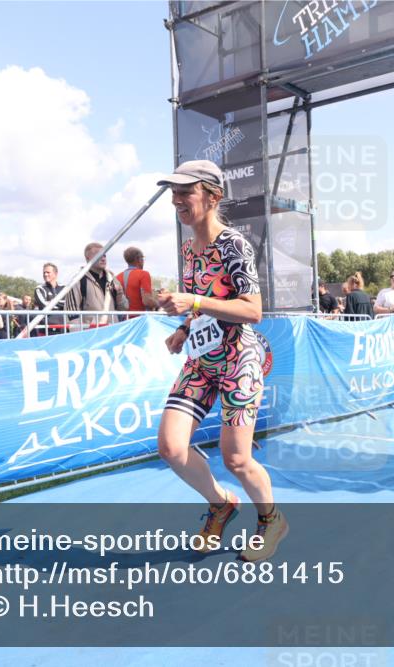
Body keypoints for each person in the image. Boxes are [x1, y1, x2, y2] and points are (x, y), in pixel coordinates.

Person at [155, 160, 286, 562]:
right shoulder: (187, 249)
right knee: (171, 448)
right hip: (202, 360)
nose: (177, 200)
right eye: (174, 193)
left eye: (185, 192)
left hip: (238, 362)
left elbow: (252, 309)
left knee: (236, 458)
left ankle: (271, 520)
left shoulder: (234, 245)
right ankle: (221, 504)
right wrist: (184, 328)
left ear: (212, 197)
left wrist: (193, 301)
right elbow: (206, 307)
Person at [65, 242, 130, 328]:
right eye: (98, 255)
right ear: (87, 258)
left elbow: (124, 308)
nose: (103, 258)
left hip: (112, 331)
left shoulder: (112, 279)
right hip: (91, 335)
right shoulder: (78, 280)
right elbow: (72, 313)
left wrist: (119, 294)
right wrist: (79, 337)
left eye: (104, 255)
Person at [116, 247, 158, 316]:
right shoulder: (143, 274)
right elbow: (147, 301)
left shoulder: (117, 277)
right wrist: (159, 304)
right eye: (143, 258)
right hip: (139, 320)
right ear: (139, 259)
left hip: (123, 321)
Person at [33, 262, 66, 336]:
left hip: (63, 328)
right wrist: (62, 305)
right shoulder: (39, 289)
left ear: (56, 273)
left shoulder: (64, 288)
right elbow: (45, 305)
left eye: (48, 272)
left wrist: (52, 302)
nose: (45, 274)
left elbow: (69, 304)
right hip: (45, 329)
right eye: (44, 272)